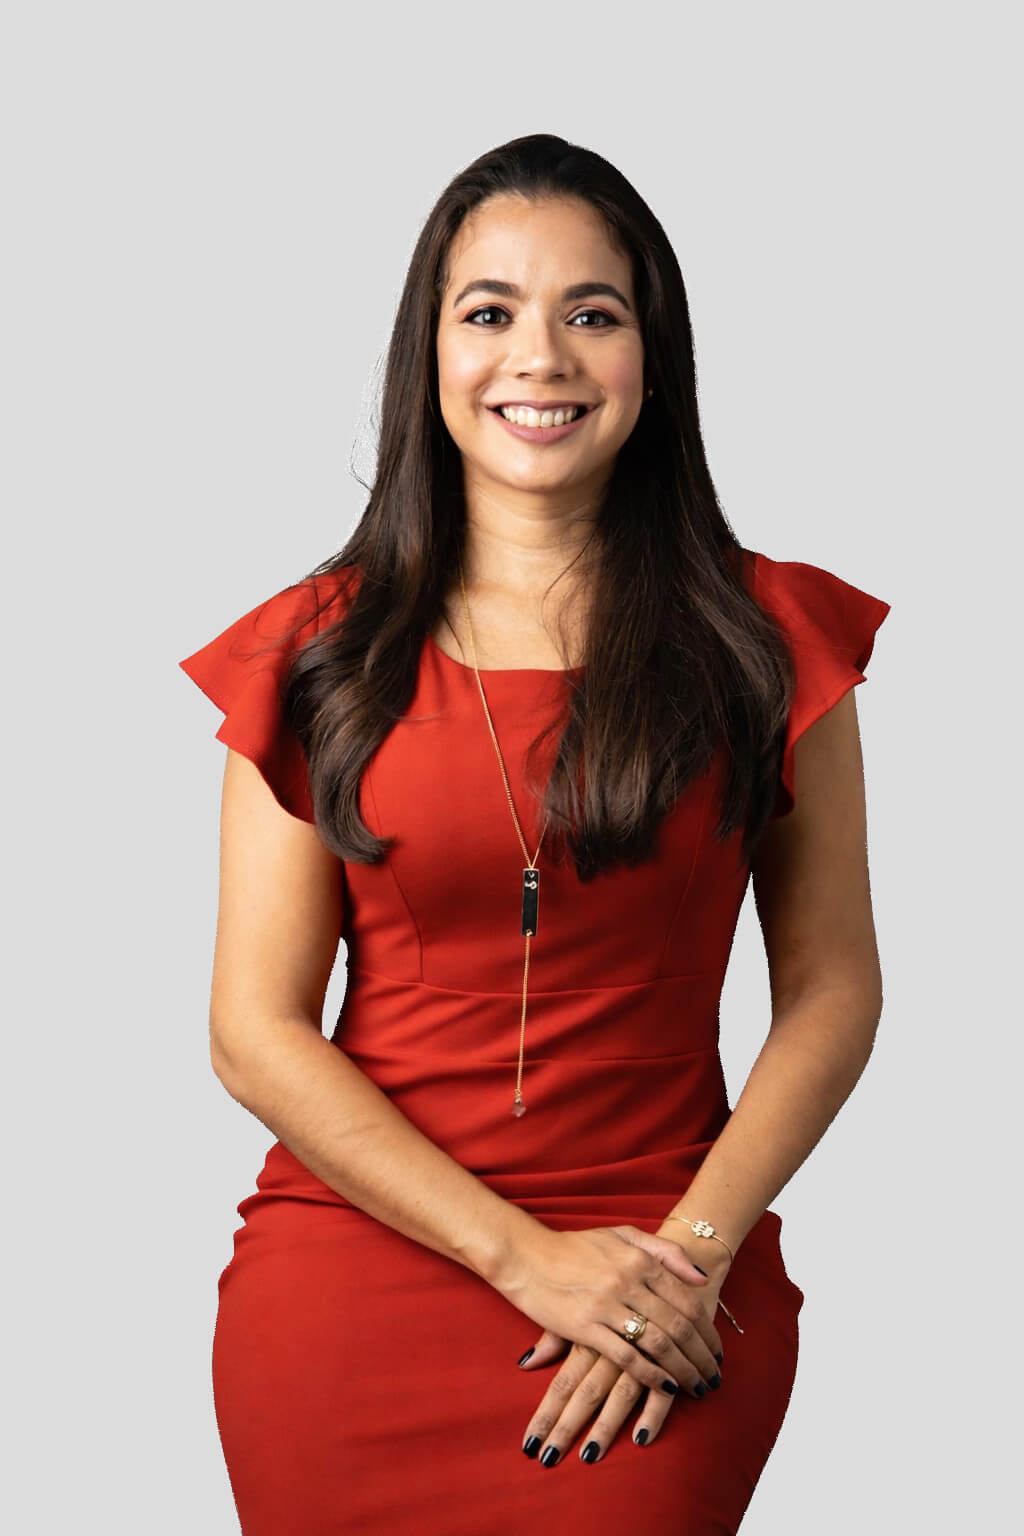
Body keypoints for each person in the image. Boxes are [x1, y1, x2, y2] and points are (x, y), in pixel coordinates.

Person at [179, 133, 890, 1535]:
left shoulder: (765, 640)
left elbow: (832, 988)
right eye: (491, 311)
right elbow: (254, 1031)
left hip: (665, 1269)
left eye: (594, 314)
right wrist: (521, 1259)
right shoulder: (313, 653)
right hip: (355, 1271)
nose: (541, 358)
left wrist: (688, 1262)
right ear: (431, 356)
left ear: (653, 357)